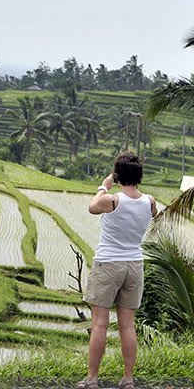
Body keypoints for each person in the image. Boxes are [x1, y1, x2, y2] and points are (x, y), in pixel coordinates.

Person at [77, 152, 157, 389]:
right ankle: (128, 379)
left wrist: (104, 185)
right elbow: (152, 215)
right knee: (127, 325)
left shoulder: (111, 200)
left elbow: (92, 207)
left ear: (119, 175)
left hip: (109, 263)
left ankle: (92, 379)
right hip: (135, 264)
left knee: (100, 324)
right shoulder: (150, 201)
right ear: (139, 176)